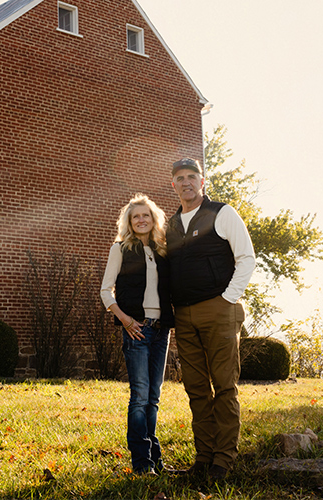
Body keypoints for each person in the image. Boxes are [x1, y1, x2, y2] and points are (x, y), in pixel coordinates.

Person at [166, 158, 256, 480]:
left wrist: (227, 298)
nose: (187, 182)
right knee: (196, 389)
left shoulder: (222, 213)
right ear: (173, 184)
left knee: (224, 387)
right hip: (184, 316)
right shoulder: (172, 225)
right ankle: (203, 457)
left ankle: (223, 461)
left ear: (202, 182)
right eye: (180, 178)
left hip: (219, 309)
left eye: (192, 176)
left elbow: (247, 258)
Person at [100, 193, 174, 476]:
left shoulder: (162, 251)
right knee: (140, 396)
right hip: (137, 329)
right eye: (136, 216)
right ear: (129, 222)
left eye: (146, 215)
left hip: (161, 328)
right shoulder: (120, 249)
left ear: (154, 219)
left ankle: (155, 459)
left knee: (153, 397)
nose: (141, 220)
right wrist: (125, 320)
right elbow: (106, 291)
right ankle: (142, 463)